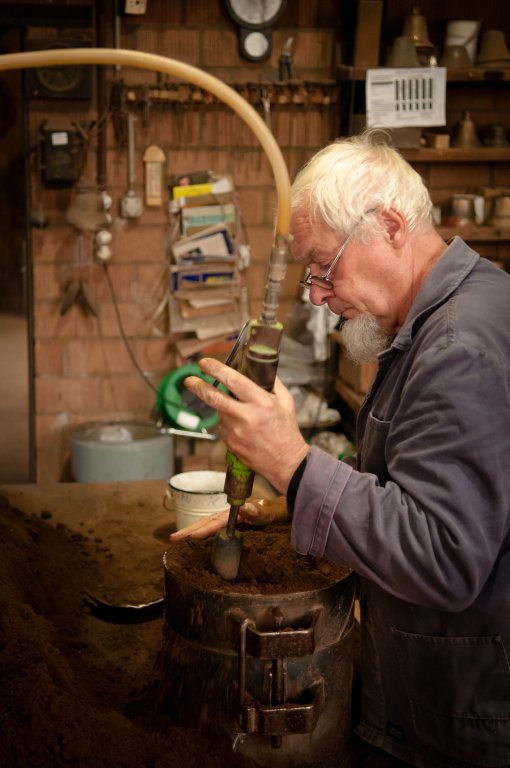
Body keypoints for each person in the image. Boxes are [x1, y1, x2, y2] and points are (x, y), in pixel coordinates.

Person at [171, 130, 510, 768]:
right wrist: (287, 503)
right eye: (309, 274)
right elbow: (414, 476)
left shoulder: (460, 349)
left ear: (389, 225)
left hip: (461, 719)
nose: (317, 296)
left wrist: (295, 467)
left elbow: (444, 555)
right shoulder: (448, 314)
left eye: (323, 266)